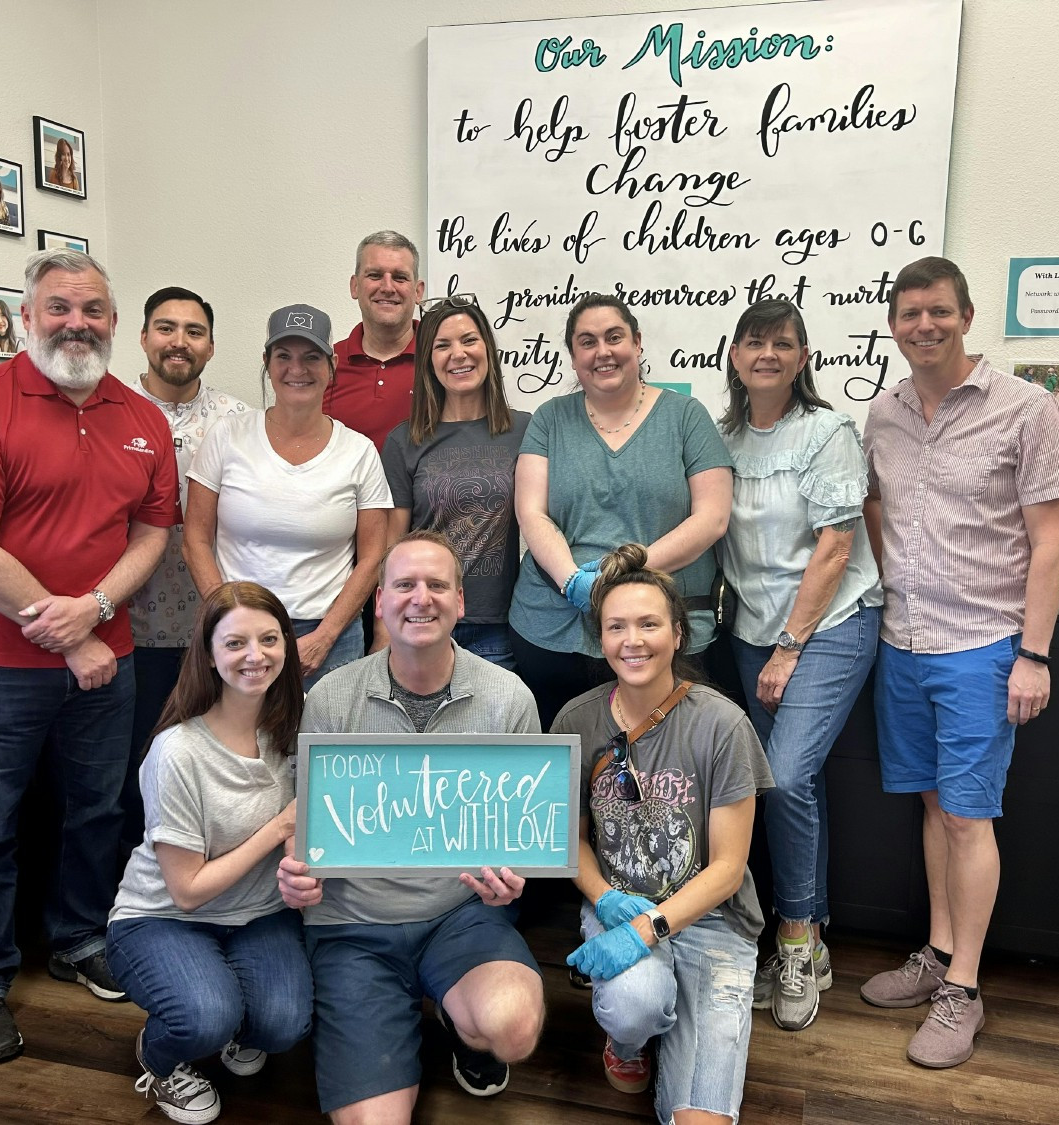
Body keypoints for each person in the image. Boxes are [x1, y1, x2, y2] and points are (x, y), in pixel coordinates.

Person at [0, 248, 181, 1064]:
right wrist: (76, 636)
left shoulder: (141, 417)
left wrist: (101, 610)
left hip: (109, 659)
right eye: (61, 308)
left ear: (114, 321)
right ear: (26, 316)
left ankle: (76, 937)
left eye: (94, 310)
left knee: (98, 810)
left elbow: (151, 533)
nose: (78, 323)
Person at [861, 256, 1059, 1068]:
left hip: (983, 645)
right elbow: (878, 510)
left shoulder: (1027, 410)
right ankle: (937, 953)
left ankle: (966, 990)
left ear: (967, 315)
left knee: (967, 814)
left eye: (939, 312)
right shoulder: (881, 415)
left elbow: (1051, 540)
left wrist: (1034, 655)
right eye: (910, 314)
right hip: (902, 640)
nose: (925, 325)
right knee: (931, 808)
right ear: (894, 324)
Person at [276, 531, 545, 1125]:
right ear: (379, 602)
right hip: (353, 922)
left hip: (460, 911)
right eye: (404, 585)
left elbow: (522, 829)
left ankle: (455, 1016)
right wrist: (297, 873)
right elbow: (306, 818)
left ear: (460, 601)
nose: (420, 598)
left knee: (514, 1029)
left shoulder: (509, 699)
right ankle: (401, 1014)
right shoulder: (331, 698)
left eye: (436, 585)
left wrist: (513, 876)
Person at [552, 543, 772, 1123]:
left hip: (711, 920)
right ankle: (631, 1042)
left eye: (649, 624)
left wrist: (654, 927)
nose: (633, 640)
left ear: (679, 633)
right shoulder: (575, 720)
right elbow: (568, 839)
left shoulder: (723, 724)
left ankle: (678, 1026)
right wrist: (604, 898)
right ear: (600, 639)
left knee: (703, 1120)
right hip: (619, 905)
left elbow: (727, 868)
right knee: (634, 1006)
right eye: (616, 626)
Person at [718, 298, 883, 1033]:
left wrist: (789, 647)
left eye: (783, 343)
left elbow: (835, 547)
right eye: (755, 342)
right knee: (781, 785)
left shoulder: (827, 432)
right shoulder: (721, 438)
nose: (768, 354)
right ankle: (808, 941)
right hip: (751, 631)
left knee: (785, 776)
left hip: (829, 627)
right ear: (733, 355)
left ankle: (792, 939)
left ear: (804, 356)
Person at [106, 581, 312, 1125]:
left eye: (269, 639)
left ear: (287, 647)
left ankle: (230, 1014)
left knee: (286, 1024)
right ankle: (160, 1055)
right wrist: (277, 830)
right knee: (204, 1017)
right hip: (163, 918)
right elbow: (188, 890)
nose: (255, 656)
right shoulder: (177, 751)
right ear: (209, 654)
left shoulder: (299, 724)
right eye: (236, 643)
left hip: (258, 914)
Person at [510, 292, 733, 731]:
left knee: (667, 772)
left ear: (637, 342)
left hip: (663, 633)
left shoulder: (687, 417)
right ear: (574, 358)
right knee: (569, 774)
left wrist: (617, 577)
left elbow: (712, 518)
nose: (603, 352)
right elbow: (532, 513)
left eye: (614, 337)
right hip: (553, 628)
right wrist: (574, 582)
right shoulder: (550, 419)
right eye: (587, 342)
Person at [184, 303, 390, 689]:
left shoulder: (359, 451)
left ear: (331, 366)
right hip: (237, 627)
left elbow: (374, 556)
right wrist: (227, 618)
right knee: (240, 746)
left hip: (330, 638)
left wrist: (326, 635)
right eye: (284, 356)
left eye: (311, 357)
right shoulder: (227, 437)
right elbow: (194, 540)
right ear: (267, 362)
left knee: (321, 747)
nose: (297, 369)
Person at [125, 287, 248, 850]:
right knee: (136, 769)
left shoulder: (239, 422)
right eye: (166, 328)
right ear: (144, 336)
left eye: (194, 331)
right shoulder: (109, 412)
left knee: (213, 767)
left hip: (212, 628)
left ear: (212, 346)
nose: (179, 342)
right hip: (126, 627)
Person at [380, 294, 530, 668]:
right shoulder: (404, 441)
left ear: (487, 349)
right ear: (428, 361)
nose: (458, 354)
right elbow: (390, 547)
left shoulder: (526, 430)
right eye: (442, 345)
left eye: (469, 340)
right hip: (419, 620)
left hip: (497, 628)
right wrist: (382, 627)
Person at [328, 230, 425, 452]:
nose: (388, 287)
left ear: (418, 292)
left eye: (400, 277)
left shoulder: (442, 360)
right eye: (374, 275)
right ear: (355, 286)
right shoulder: (324, 364)